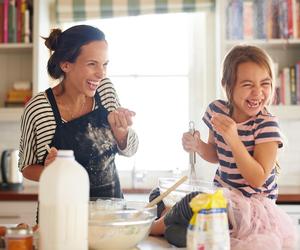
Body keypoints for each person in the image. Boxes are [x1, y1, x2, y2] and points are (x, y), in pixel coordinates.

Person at [149, 45, 298, 249]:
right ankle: (172, 225)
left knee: (194, 199)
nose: (258, 93)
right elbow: (216, 154)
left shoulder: (267, 125)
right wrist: (198, 146)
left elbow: (257, 178)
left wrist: (233, 139)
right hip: (222, 201)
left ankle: (156, 225)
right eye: (247, 84)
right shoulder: (217, 111)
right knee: (158, 194)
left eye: (265, 83)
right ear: (227, 85)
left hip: (250, 210)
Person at [18, 25, 138, 199]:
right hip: (61, 215)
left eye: (104, 64)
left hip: (109, 214)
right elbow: (26, 167)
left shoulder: (105, 91)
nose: (101, 74)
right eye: (92, 64)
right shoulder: (39, 108)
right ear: (66, 64)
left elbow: (130, 150)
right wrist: (50, 171)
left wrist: (122, 133)